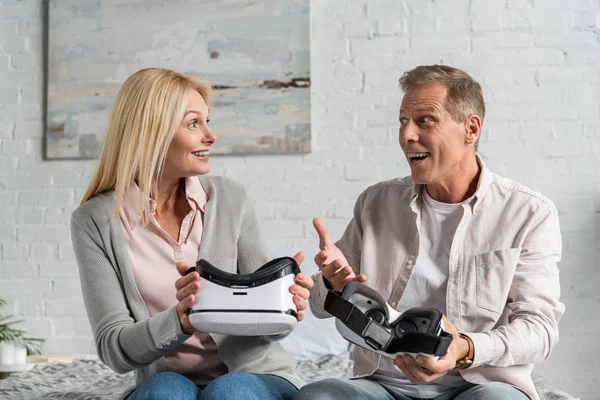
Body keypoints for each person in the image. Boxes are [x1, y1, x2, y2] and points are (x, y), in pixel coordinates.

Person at [294, 65, 564, 400]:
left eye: (425, 120)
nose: (406, 135)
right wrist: (332, 284)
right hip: (382, 387)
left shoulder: (527, 213)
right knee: (317, 396)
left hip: (476, 387)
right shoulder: (376, 203)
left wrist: (464, 348)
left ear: (471, 128)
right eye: (402, 120)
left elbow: (540, 330)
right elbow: (320, 307)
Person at [70, 68, 314, 400]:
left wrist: (284, 303)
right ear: (151, 132)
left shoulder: (230, 199)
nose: (210, 136)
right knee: (162, 392)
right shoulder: (94, 222)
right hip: (166, 380)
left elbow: (269, 332)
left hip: (253, 375)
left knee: (229, 393)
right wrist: (180, 319)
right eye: (193, 123)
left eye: (207, 121)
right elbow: (114, 348)